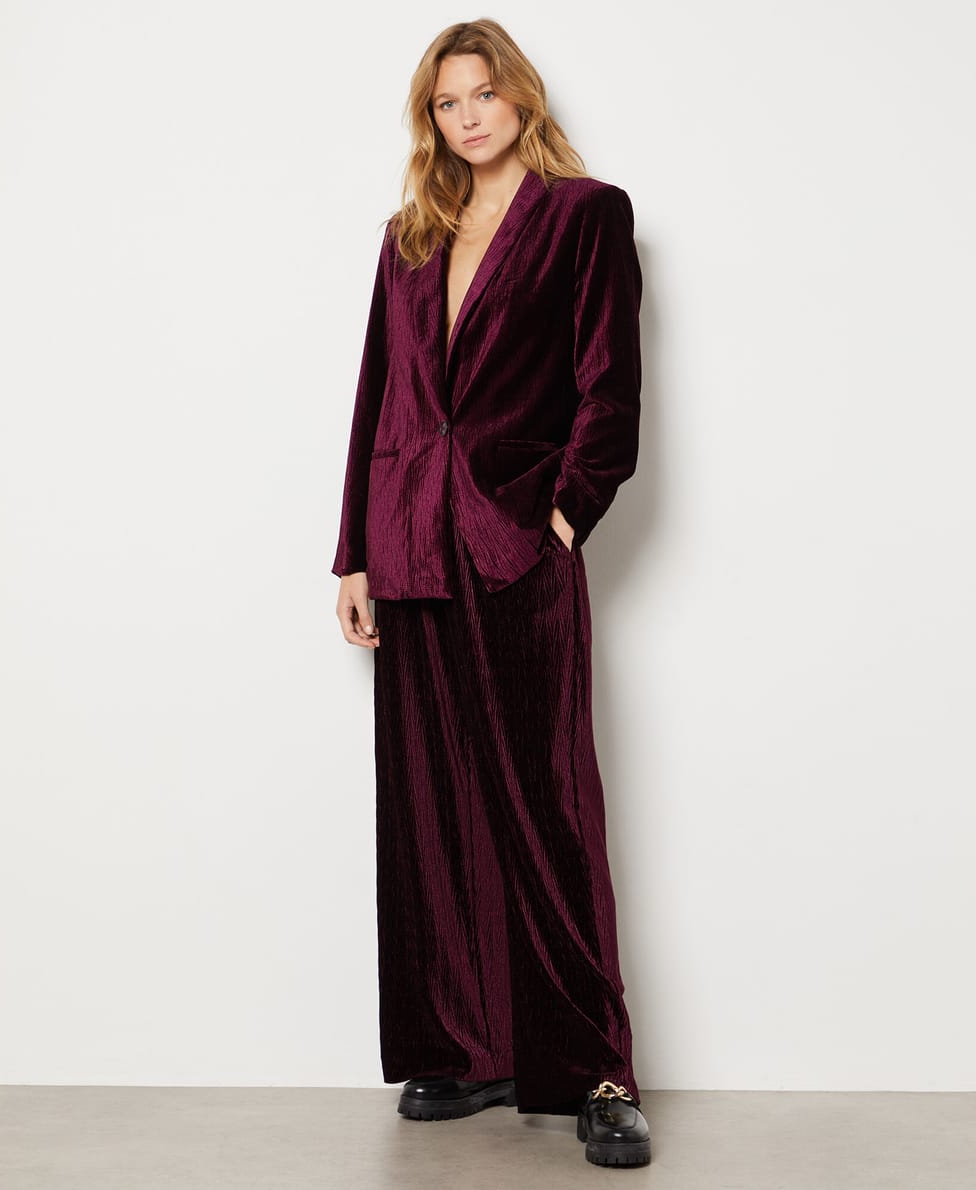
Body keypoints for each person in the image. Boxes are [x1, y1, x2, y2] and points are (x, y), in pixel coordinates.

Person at [331, 19, 650, 1169]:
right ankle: (467, 1048)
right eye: (444, 102)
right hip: (408, 542)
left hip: (515, 539)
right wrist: (353, 554)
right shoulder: (409, 234)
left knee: (544, 804)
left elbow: (609, 385)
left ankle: (596, 1070)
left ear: (519, 97)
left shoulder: (584, 214)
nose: (466, 117)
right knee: (432, 808)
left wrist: (563, 511)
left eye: (481, 94)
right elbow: (380, 397)